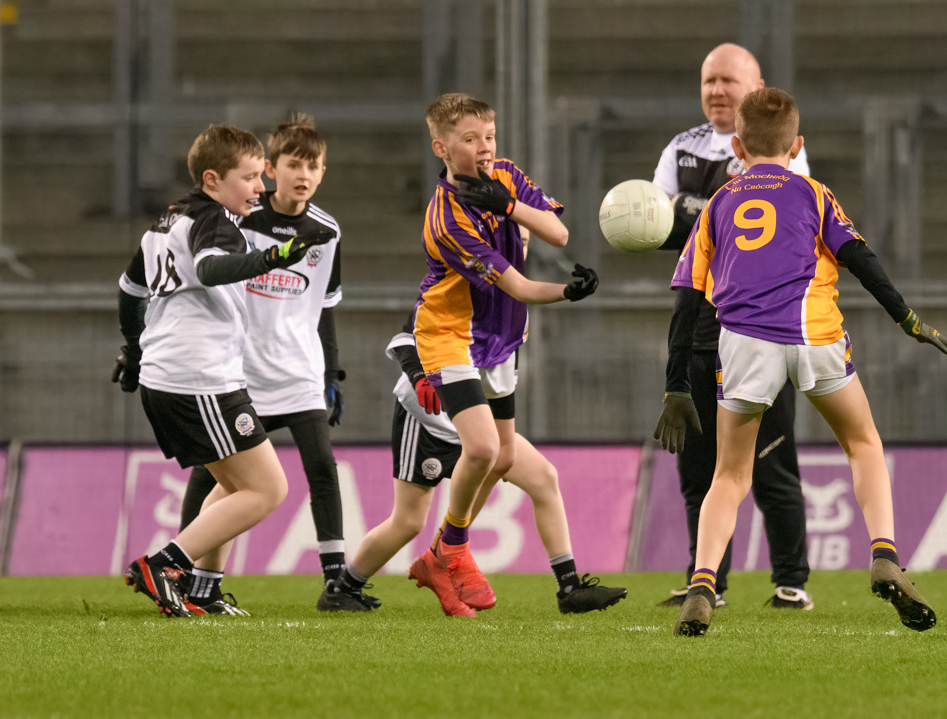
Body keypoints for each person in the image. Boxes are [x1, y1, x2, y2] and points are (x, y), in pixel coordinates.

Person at [663, 88, 947, 638]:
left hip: (745, 343)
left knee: (729, 475)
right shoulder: (814, 194)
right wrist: (908, 319)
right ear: (796, 144)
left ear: (737, 146)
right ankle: (884, 556)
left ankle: (704, 585)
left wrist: (676, 384)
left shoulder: (718, 206)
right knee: (863, 443)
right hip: (814, 336)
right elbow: (860, 258)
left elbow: (686, 299)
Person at [113, 125, 332, 617]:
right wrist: (276, 255)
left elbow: (129, 289)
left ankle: (202, 591)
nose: (260, 187)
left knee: (234, 486)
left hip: (173, 375)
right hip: (200, 379)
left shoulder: (166, 220)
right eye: (251, 177)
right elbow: (212, 269)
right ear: (212, 179)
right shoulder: (217, 221)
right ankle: (166, 565)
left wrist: (133, 349)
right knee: (267, 489)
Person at [405, 92, 599, 616]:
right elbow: (516, 285)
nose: (485, 148)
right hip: (450, 336)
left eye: (489, 136)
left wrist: (508, 205)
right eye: (470, 139)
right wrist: (567, 294)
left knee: (508, 456)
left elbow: (558, 232)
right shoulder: (446, 219)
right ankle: (451, 549)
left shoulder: (507, 175)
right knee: (486, 449)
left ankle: (445, 551)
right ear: (441, 148)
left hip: (501, 340)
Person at [320, 310, 628, 616]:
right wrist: (419, 377)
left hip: (476, 424)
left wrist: (566, 293)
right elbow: (404, 340)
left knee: (542, 477)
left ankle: (569, 588)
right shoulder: (459, 277)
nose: (518, 260)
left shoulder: (514, 306)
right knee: (408, 521)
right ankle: (343, 588)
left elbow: (502, 382)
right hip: (429, 418)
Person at [652, 42, 812, 610]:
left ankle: (791, 582)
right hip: (697, 322)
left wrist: (692, 213)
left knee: (770, 463)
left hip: (762, 325)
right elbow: (657, 226)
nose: (716, 90)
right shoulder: (681, 147)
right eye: (708, 80)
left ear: (757, 86)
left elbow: (789, 227)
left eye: (728, 80)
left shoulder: (785, 149)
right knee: (698, 465)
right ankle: (708, 582)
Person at [177, 114, 358, 615]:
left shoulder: (327, 231)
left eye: (313, 165)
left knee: (322, 469)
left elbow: (325, 305)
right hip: (240, 373)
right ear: (271, 170)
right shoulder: (241, 220)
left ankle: (335, 584)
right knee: (210, 476)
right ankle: (184, 574)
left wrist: (330, 372)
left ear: (323, 172)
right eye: (293, 164)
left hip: (299, 373)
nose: (304, 174)